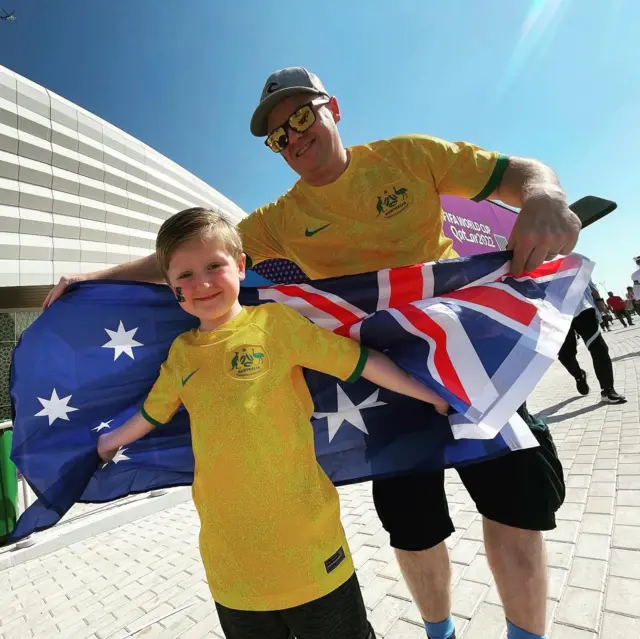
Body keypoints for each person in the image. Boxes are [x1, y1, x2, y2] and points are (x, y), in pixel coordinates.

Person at [45, 67, 581, 639]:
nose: (293, 136)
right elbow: (191, 256)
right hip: (384, 379)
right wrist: (96, 278)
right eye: (278, 135)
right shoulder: (280, 221)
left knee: (515, 507)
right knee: (413, 527)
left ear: (334, 108)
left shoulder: (410, 156)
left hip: (465, 356)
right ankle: (439, 633)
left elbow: (517, 173)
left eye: (301, 116)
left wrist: (546, 195)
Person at [97, 207, 448, 639]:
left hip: (310, 549)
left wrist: (429, 392)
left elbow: (359, 363)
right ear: (170, 287)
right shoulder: (181, 353)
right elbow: (153, 413)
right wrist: (108, 443)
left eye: (213, 266)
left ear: (240, 266)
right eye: (184, 276)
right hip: (232, 567)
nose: (201, 284)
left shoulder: (275, 325)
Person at [558, 282, 626, 404]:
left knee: (599, 348)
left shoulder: (576, 261)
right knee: (565, 355)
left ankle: (608, 391)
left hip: (582, 308)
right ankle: (579, 375)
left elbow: (587, 277)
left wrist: (599, 300)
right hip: (555, 313)